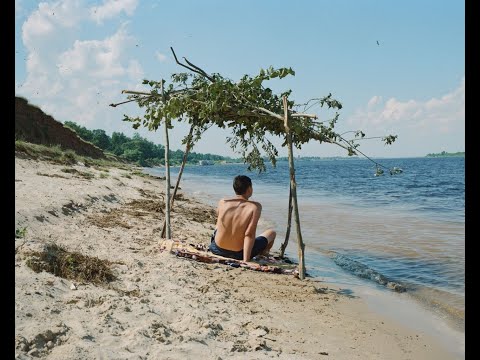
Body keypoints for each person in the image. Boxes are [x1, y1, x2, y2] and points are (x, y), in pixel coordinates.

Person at [209, 175, 276, 262]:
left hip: (216, 249)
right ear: (249, 189)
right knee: (271, 233)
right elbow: (249, 234)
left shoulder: (223, 202)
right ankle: (263, 254)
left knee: (219, 225)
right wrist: (246, 260)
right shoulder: (255, 207)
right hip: (238, 254)